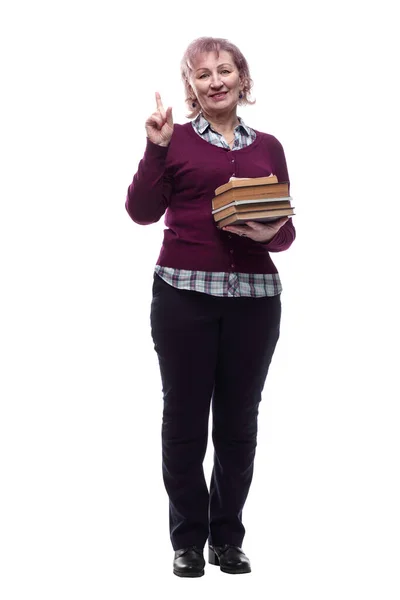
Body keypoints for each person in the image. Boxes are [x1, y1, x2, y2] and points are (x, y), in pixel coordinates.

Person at [125, 36, 295, 577]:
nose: (216, 80)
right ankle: (187, 540)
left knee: (239, 422)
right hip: (182, 299)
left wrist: (269, 231)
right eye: (203, 74)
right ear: (191, 86)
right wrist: (155, 149)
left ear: (243, 80)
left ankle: (228, 537)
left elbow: (286, 229)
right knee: (184, 420)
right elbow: (141, 212)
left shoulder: (268, 145)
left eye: (226, 70)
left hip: (254, 303)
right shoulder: (172, 141)